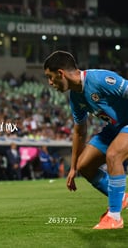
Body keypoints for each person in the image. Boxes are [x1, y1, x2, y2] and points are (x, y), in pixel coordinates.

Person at [44, 50, 128, 229]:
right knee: (85, 166)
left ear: (61, 73)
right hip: (114, 128)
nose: (50, 83)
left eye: (50, 77)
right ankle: (121, 198)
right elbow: (80, 132)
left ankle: (114, 217)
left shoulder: (100, 79)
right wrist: (73, 167)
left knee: (113, 155)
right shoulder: (75, 98)